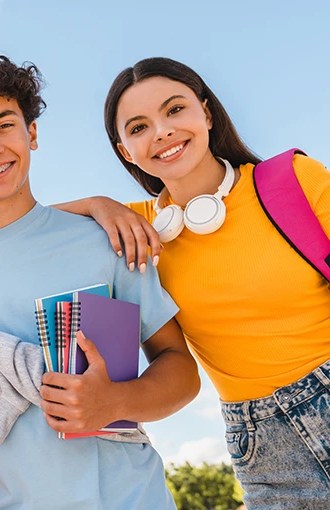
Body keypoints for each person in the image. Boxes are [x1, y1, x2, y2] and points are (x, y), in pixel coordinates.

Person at [0, 49, 200, 510]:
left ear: (32, 133)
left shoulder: (105, 240)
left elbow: (179, 367)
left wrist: (116, 401)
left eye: (5, 124)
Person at [69, 56, 330, 508]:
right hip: (266, 444)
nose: (162, 132)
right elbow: (21, 227)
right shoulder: (138, 232)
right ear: (125, 151)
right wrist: (97, 203)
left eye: (174, 110)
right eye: (138, 127)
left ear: (206, 113)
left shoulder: (293, 181)